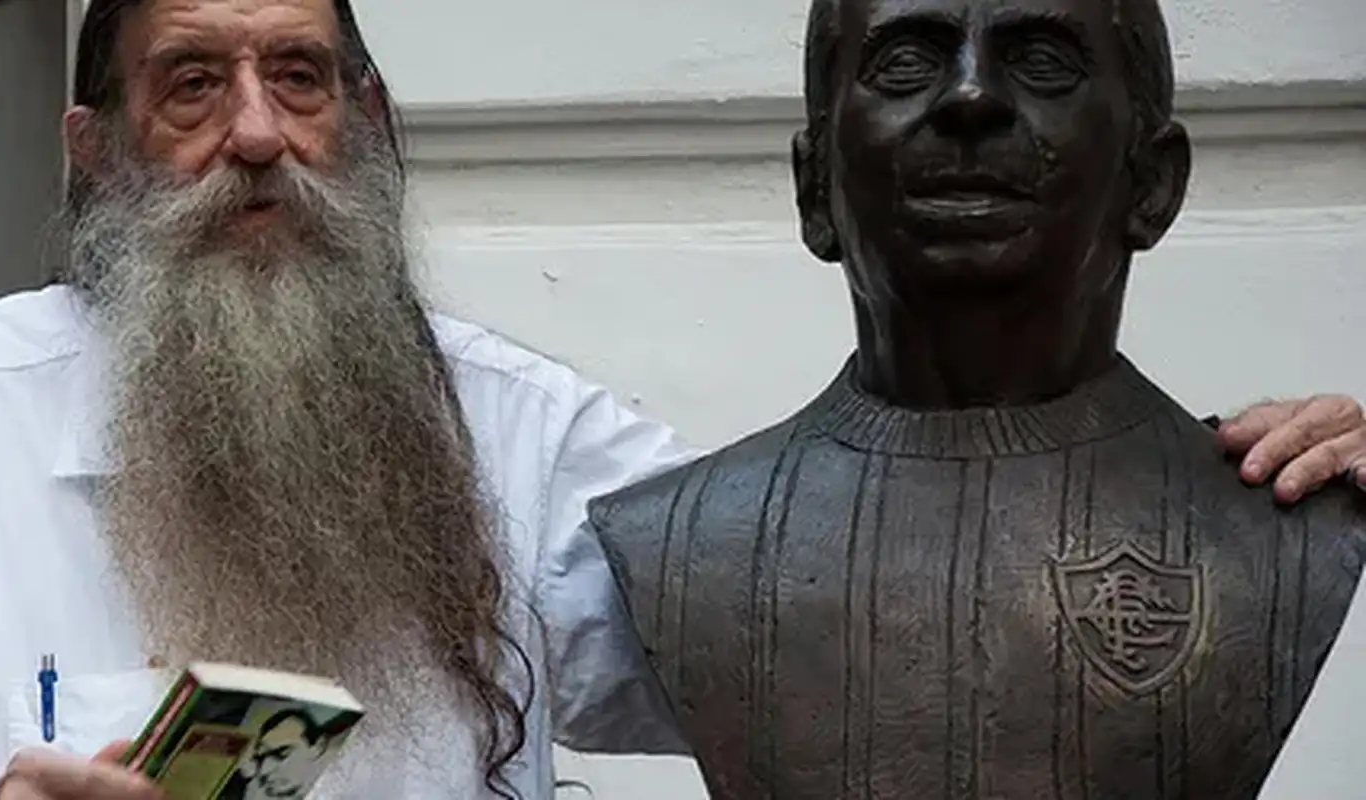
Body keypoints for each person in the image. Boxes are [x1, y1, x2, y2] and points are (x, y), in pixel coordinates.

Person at [0, 0, 1359, 798]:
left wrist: (1267, 477)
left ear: (370, 124)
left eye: (300, 78)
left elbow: (869, 635)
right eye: (192, 83)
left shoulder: (526, 435)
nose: (256, 135)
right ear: (94, 150)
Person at [582, 0, 1366, 796]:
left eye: (1042, 62)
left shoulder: (1292, 522)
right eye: (905, 63)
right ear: (814, 187)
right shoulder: (675, 539)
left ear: (1154, 182)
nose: (970, 97)